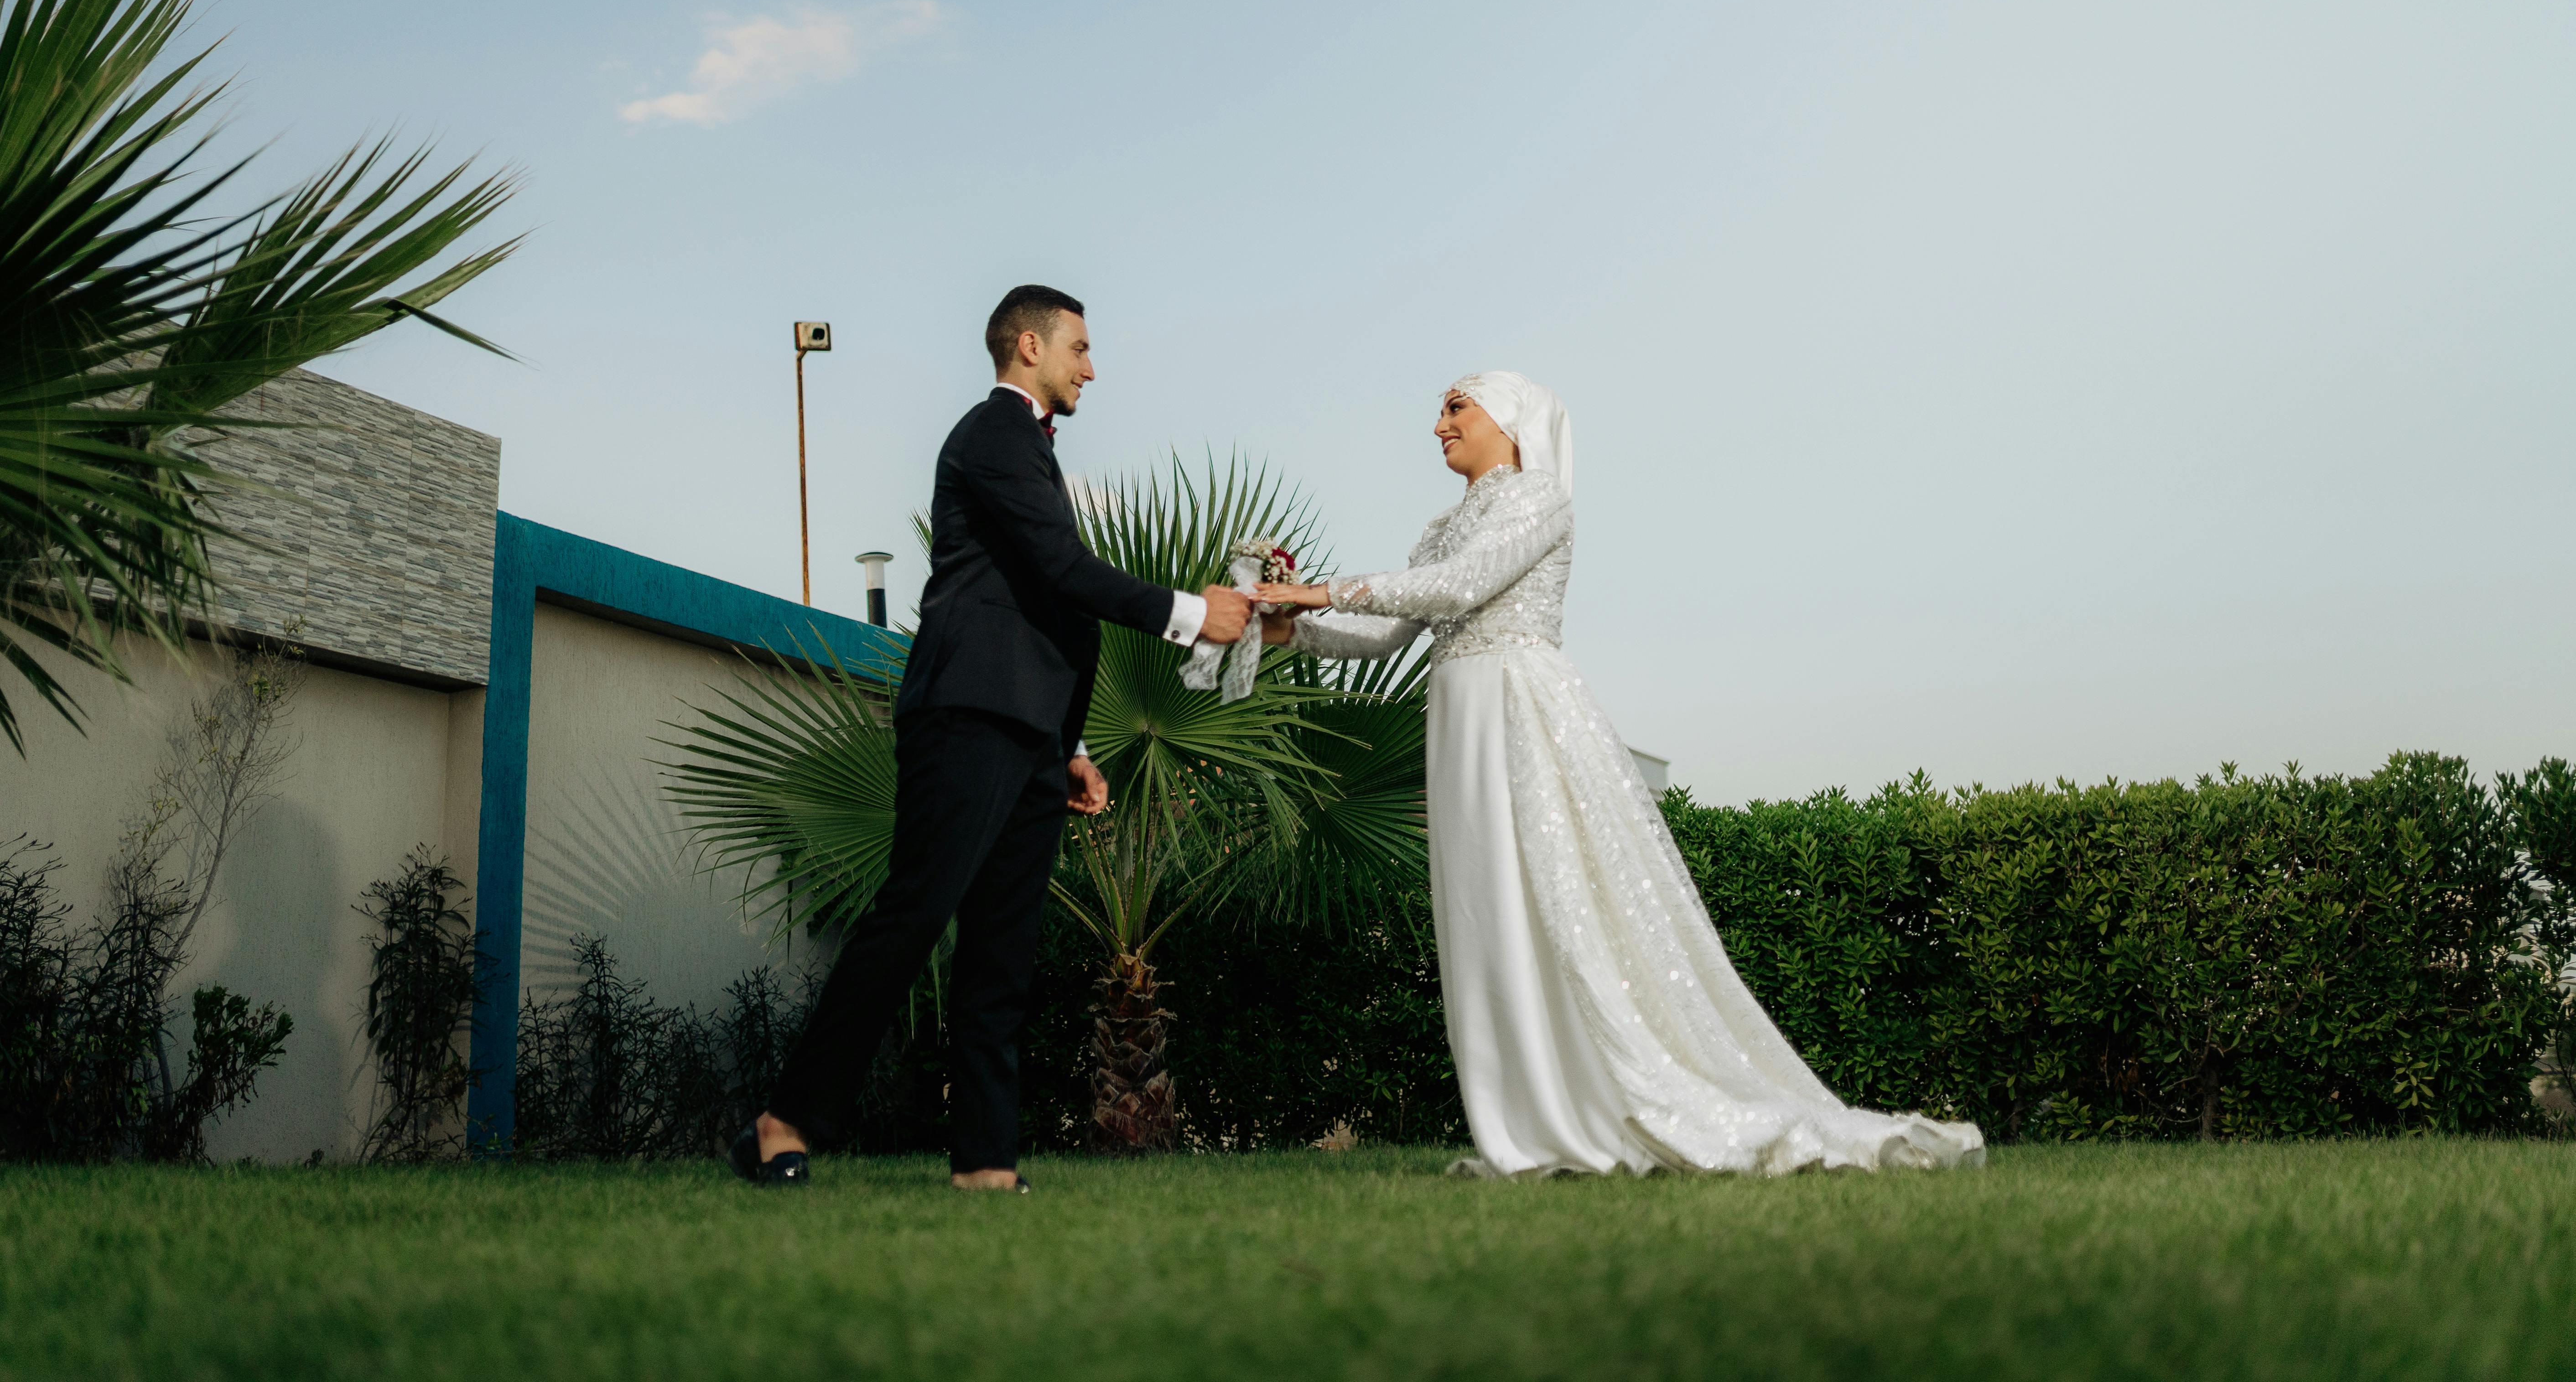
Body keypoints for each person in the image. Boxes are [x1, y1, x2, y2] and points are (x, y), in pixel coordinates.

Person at [1252, 372, 1984, 1177]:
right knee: (1486, 901)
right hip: (1457, 716)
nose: (1438, 426)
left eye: (1457, 408)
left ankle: (1612, 1096)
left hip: (1517, 704)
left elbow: (1461, 587)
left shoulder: (1539, 501)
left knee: (1556, 893)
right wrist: (1295, 632)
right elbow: (1390, 633)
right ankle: (1529, 1111)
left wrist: (1314, 586)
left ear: (1514, 421)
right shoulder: (1442, 525)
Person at [735, 285, 1253, 1191]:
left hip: (1027, 733)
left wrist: (1070, 744)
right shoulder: (994, 435)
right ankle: (785, 1119)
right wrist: (1188, 612)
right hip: (965, 714)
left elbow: (1047, 608)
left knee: (1004, 949)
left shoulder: (1032, 455)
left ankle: (984, 1161)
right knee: (913, 917)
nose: (1092, 367)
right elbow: (1065, 572)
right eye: (1080, 348)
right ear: (1027, 347)